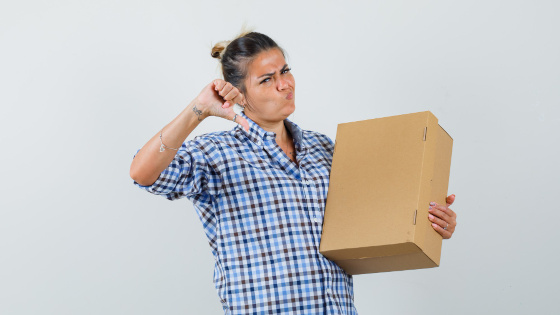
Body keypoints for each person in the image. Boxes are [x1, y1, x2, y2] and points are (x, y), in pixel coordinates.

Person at [129, 31, 458, 315]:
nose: (284, 84)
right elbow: (143, 174)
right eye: (267, 79)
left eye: (284, 70)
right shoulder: (215, 153)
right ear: (238, 93)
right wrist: (198, 109)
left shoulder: (323, 147)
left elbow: (367, 222)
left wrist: (427, 218)